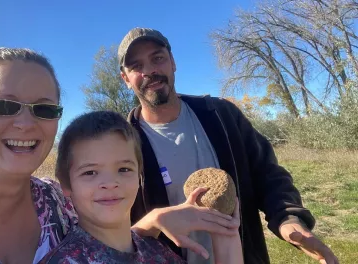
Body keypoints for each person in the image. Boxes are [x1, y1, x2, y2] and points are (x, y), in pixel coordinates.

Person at [0, 47, 238, 264]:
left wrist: (153, 221)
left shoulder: (56, 201)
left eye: (44, 109)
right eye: (4, 105)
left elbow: (106, 244)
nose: (26, 123)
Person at [118, 27, 340, 264]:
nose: (150, 71)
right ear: (125, 79)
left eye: (158, 58)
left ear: (173, 62)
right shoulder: (121, 142)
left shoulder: (221, 115)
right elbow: (112, 226)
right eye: (136, 66)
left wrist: (289, 220)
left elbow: (267, 175)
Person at [43, 110, 243, 264]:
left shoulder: (156, 250)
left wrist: (225, 232)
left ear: (139, 175)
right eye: (90, 172)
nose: (110, 183)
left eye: (123, 169)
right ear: (66, 184)